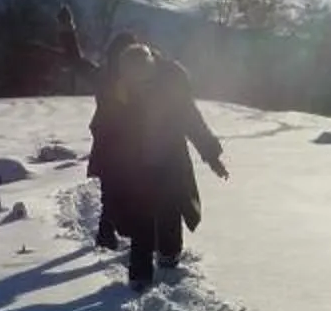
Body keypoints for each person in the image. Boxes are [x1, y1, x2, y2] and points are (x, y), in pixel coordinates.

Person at [120, 47, 226, 291]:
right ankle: (140, 275)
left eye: (142, 75)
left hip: (170, 159)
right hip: (138, 163)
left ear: (150, 66)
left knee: (170, 207)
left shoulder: (172, 83)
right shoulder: (125, 88)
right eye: (133, 77)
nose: (139, 81)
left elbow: (192, 120)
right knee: (141, 217)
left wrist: (212, 157)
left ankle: (168, 255)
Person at [85, 34, 149, 252]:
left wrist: (67, 31)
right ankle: (113, 234)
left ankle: (108, 234)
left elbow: (75, 61)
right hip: (124, 147)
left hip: (107, 144)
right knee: (126, 192)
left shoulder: (103, 76)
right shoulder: (132, 79)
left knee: (111, 192)